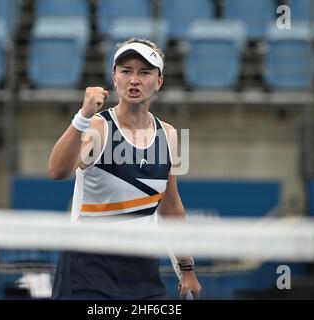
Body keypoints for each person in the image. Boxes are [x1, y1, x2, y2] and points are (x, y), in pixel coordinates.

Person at [48, 38, 202, 300]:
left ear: (159, 81)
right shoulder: (98, 128)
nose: (134, 80)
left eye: (144, 72)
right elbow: (58, 171)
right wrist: (82, 116)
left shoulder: (170, 136)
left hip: (141, 268)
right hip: (88, 267)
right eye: (126, 71)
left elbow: (171, 206)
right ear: (114, 77)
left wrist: (187, 269)